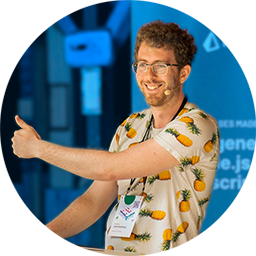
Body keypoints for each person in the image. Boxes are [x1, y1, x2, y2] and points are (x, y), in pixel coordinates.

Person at [12, 20, 220, 256]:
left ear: (183, 73)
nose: (148, 75)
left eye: (160, 66)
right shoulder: (131, 125)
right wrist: (44, 238)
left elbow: (108, 169)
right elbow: (93, 201)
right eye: (142, 65)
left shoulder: (197, 125)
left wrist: (38, 149)